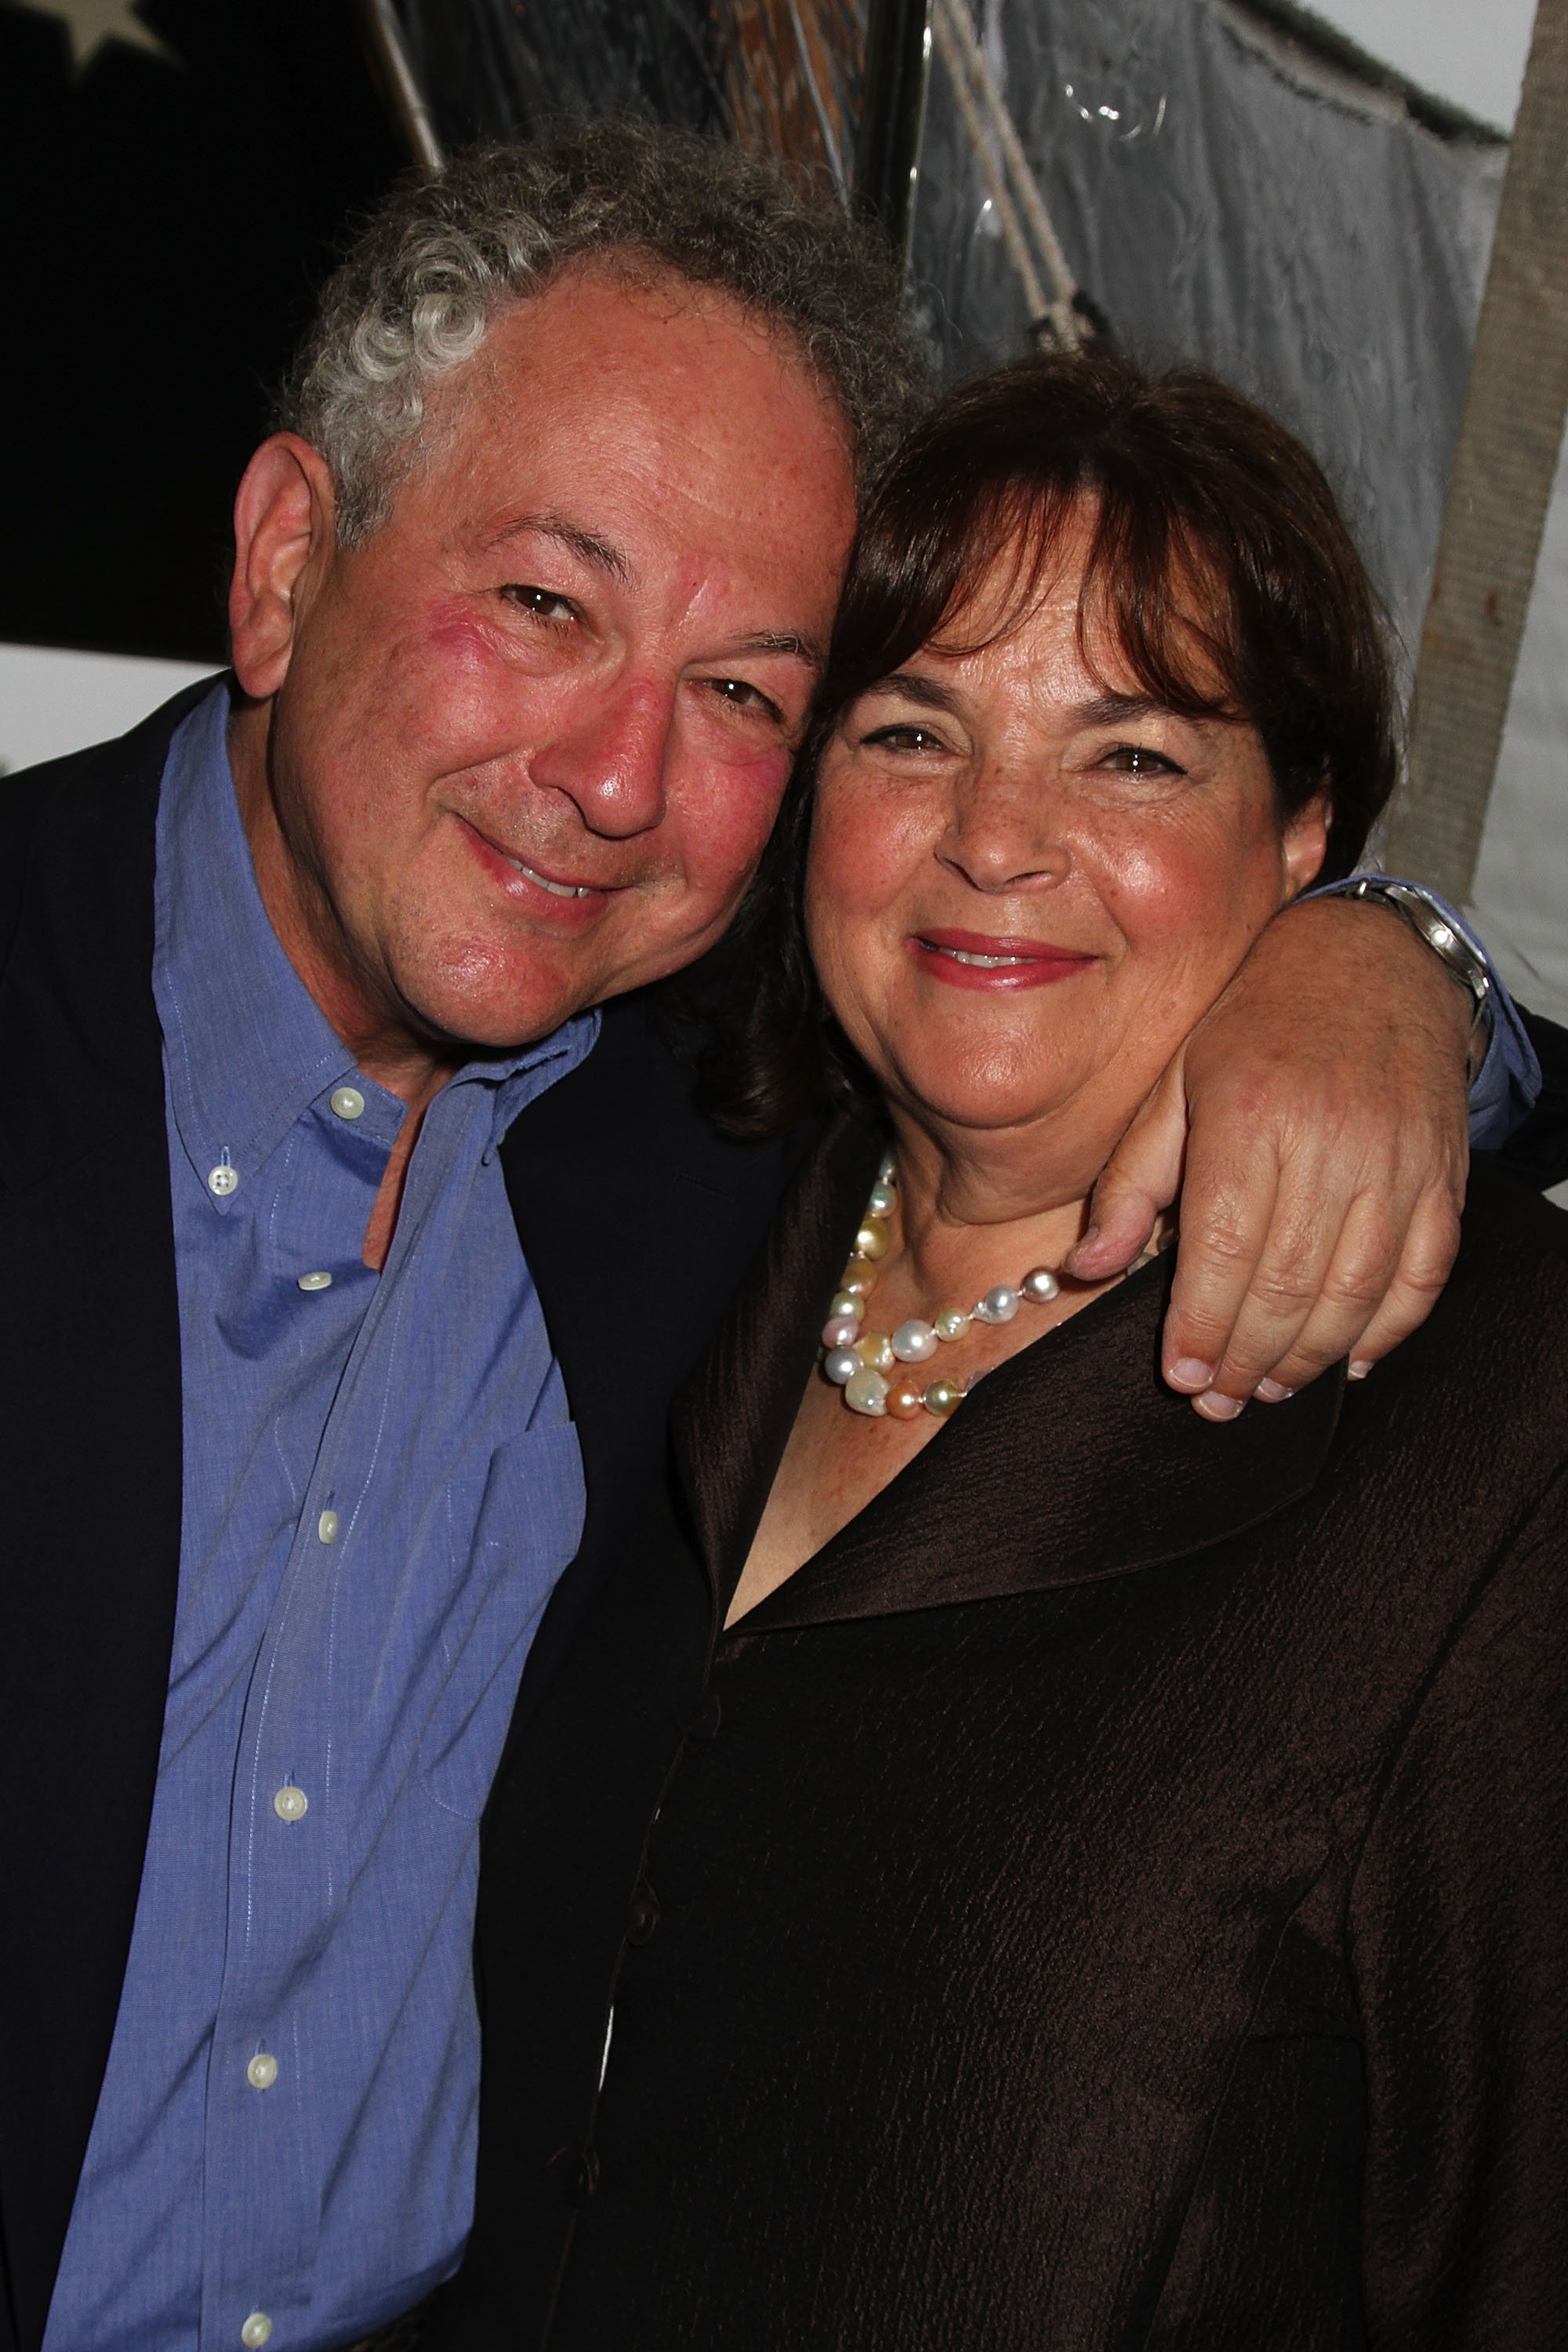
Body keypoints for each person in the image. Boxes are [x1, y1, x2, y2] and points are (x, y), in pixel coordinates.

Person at [0, 129, 1559, 2352]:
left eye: (744, 689)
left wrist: (1391, 963)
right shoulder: (750, 1150)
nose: (619, 775)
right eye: (547, 605)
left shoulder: (668, 1106)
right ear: (280, 565)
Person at [431, 353, 1568, 2349]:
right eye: (908, 732)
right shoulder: (648, 1206)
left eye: (1131, 757)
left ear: (1301, 837)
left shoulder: (1488, 1444)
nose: (994, 839)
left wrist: (1421, 959)